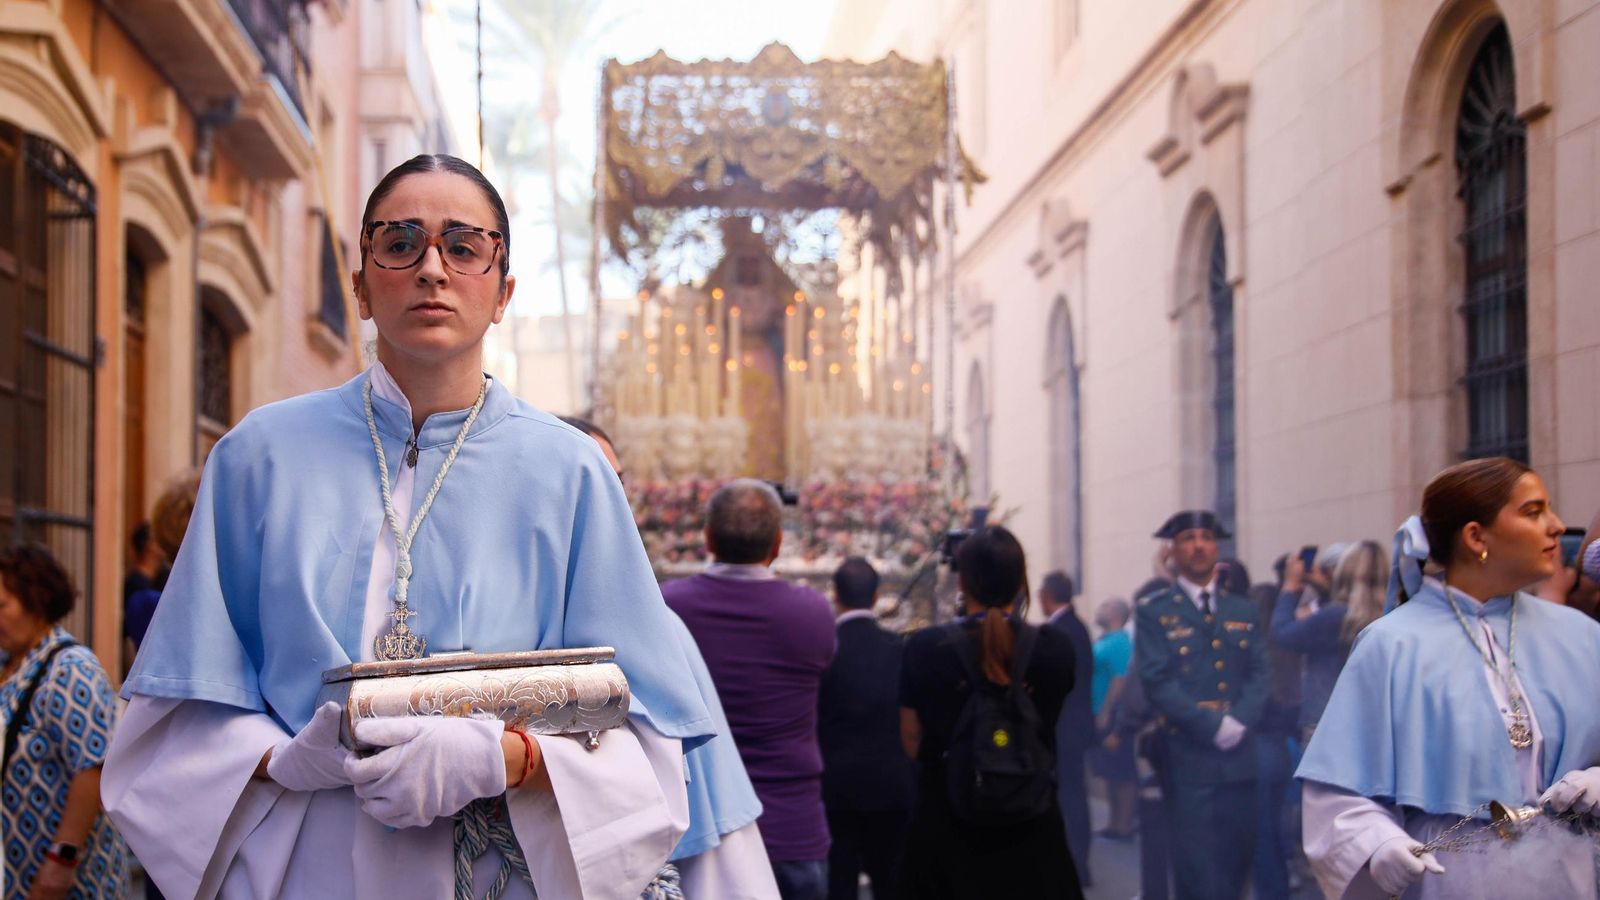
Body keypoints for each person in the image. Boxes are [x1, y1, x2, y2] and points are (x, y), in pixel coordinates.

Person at [102, 154, 722, 900]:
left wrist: (507, 757)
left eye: (463, 247)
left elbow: (644, 729)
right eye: (400, 242)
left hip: (496, 869)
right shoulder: (256, 458)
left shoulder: (571, 473)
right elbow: (174, 714)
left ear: (503, 293)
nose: (432, 268)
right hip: (303, 866)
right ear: (361, 287)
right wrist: (279, 758)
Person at [1299, 457, 1600, 899]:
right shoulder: (1393, 644)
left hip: (1568, 876)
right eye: (1534, 512)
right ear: (1476, 536)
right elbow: (1338, 792)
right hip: (1453, 877)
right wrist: (1380, 844)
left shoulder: (1583, 636)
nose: (1557, 526)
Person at [559, 416, 778, 898]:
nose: (606, 509)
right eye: (588, 487)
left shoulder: (661, 627)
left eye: (615, 488)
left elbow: (718, 834)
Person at [663, 479, 837, 900]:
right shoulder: (812, 613)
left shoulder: (670, 608)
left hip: (708, 825)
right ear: (778, 544)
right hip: (792, 825)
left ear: (707, 539)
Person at [897, 525, 1085, 899]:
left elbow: (912, 741)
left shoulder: (926, 648)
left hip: (947, 833)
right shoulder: (1056, 648)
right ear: (1021, 584)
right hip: (1033, 834)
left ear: (962, 582)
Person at [1135, 510, 1268, 900]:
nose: (1198, 545)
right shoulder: (1154, 611)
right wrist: (1212, 726)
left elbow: (1261, 672)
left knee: (1237, 865)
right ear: (1172, 551)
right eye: (1188, 538)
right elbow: (1158, 681)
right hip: (1189, 760)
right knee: (1198, 874)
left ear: (1217, 547)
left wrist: (1239, 721)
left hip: (1240, 759)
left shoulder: (1242, 609)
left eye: (1206, 537)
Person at [1, 543, 128, 898]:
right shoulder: (8, 665)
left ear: (36, 601)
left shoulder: (71, 668)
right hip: (15, 873)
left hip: (67, 880)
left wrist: (61, 860)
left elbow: (92, 767)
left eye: (1, 606)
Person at [817, 557, 914, 900]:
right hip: (891, 786)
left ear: (835, 595)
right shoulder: (900, 649)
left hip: (836, 789)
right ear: (876, 597)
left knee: (839, 885)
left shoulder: (825, 648)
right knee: (890, 885)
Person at [1271, 540, 1386, 746]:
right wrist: (1325, 589)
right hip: (1373, 723)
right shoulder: (1391, 614)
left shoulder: (1335, 616)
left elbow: (1282, 634)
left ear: (1345, 573)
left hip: (1326, 722)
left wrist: (1289, 586)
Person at [1038, 570, 1094, 884]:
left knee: (1070, 795)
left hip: (1065, 726)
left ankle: (1075, 861)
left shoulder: (1063, 631)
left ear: (1048, 596)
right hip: (1072, 725)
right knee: (1073, 793)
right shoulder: (1074, 627)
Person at [1089, 597, 1136, 839]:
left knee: (1121, 770)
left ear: (1117, 613)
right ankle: (1113, 821)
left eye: (1105, 605)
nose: (1100, 607)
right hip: (1099, 712)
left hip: (1112, 715)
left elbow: (1120, 679)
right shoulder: (1105, 640)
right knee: (1109, 770)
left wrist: (1107, 711)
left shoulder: (1118, 642)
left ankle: (1124, 825)